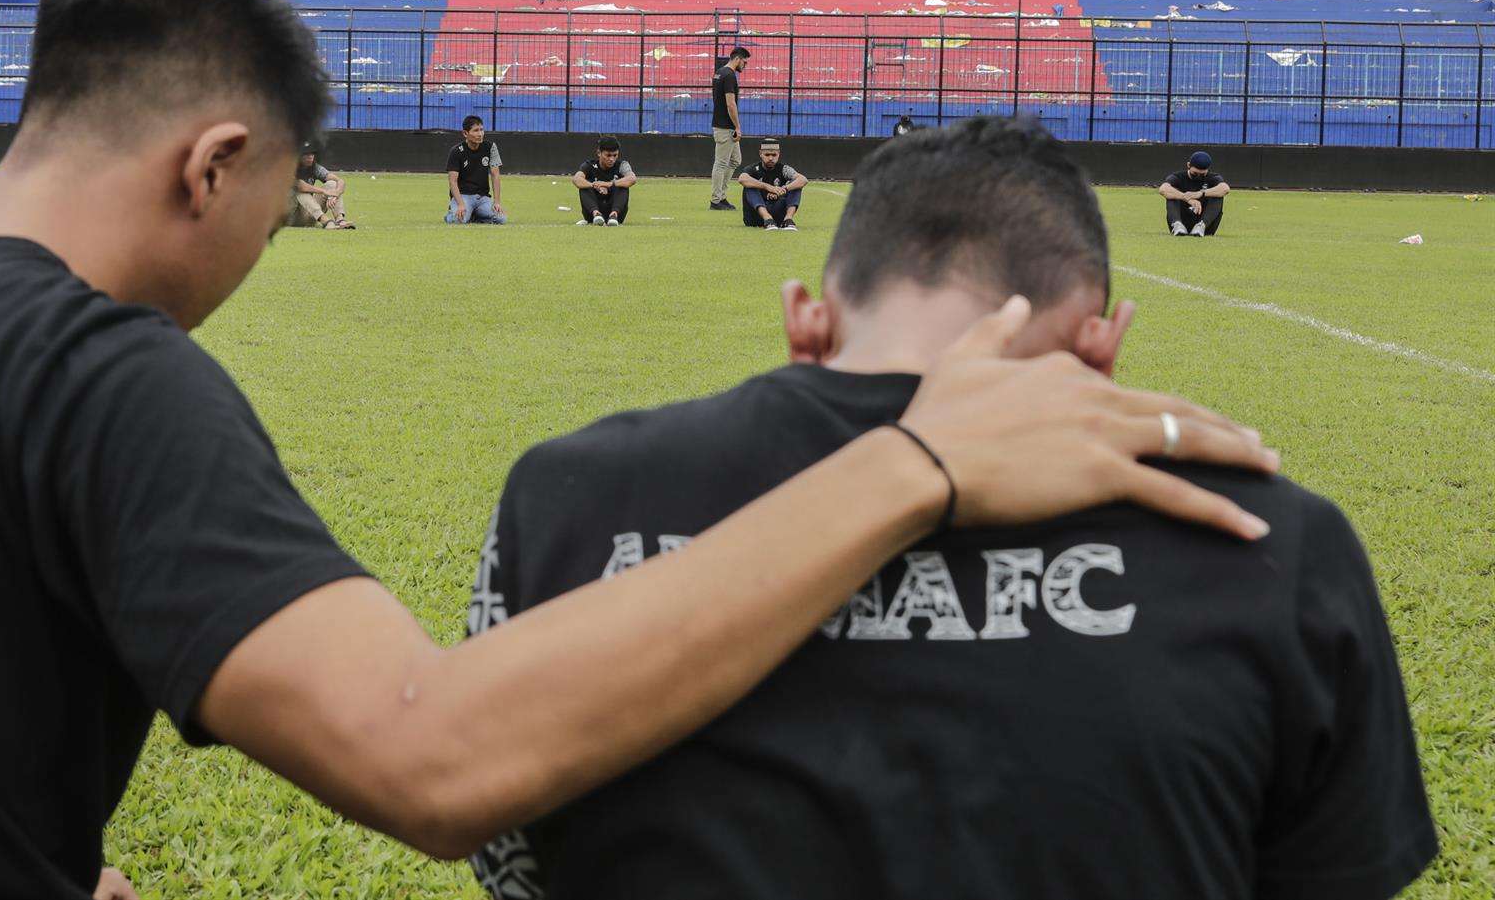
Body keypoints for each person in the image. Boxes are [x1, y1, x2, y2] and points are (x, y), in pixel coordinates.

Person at [0, 0, 1279, 900]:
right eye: (283, 195)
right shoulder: (93, 371)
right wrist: (914, 461)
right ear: (216, 165)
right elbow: (435, 757)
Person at [468, 117, 1432, 900]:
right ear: (1102, 345)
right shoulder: (1273, 537)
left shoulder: (568, 492)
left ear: (807, 317)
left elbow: (508, 852)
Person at [446, 115, 507, 224]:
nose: (480, 134)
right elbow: (452, 181)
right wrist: (460, 204)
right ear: (465, 133)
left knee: (501, 219)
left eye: (481, 130)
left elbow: (495, 175)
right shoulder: (456, 151)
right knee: (457, 220)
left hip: (482, 198)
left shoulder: (491, 147)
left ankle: (473, 215)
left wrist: (497, 202)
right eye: (476, 131)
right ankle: (452, 213)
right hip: (463, 196)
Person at [709, 46, 749, 210]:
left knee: (735, 160)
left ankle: (721, 195)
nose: (745, 66)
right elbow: (730, 104)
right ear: (738, 59)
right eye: (744, 62)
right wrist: (738, 127)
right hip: (725, 127)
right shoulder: (729, 76)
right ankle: (716, 200)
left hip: (722, 125)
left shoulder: (719, 72)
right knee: (721, 163)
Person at [739, 140, 808, 230]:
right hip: (755, 218)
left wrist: (784, 189)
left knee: (796, 185)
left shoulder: (783, 169)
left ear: (778, 154)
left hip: (777, 215)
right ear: (760, 154)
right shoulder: (753, 169)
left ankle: (788, 220)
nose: (771, 158)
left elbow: (803, 179)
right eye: (767, 155)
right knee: (749, 186)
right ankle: (767, 219)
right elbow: (742, 178)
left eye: (774, 155)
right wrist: (769, 187)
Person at [1161, 150, 1229, 235]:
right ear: (1188, 165)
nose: (1198, 177)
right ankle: (1177, 225)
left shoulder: (1213, 178)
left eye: (1202, 174)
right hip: (1182, 220)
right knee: (1172, 194)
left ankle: (1201, 226)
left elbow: (1225, 188)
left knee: (1218, 194)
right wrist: (1186, 198)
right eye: (1195, 173)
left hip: (1205, 226)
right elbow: (1163, 189)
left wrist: (1201, 193)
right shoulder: (1178, 177)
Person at [572, 137, 637, 226]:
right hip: (592, 213)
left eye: (615, 155)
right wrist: (594, 185)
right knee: (584, 186)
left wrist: (609, 184)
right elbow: (576, 179)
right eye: (608, 155)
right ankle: (596, 214)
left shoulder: (622, 165)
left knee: (623, 185)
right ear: (599, 153)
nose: (612, 159)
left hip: (617, 213)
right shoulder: (589, 165)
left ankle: (613, 215)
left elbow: (632, 179)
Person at [291, 145, 353, 229]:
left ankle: (340, 220)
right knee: (300, 191)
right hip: (289, 216)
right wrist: (324, 191)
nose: (310, 156)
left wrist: (335, 194)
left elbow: (340, 181)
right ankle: (326, 221)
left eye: (312, 154)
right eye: (306, 154)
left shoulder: (314, 167)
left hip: (307, 214)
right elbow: (300, 186)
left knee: (332, 184)